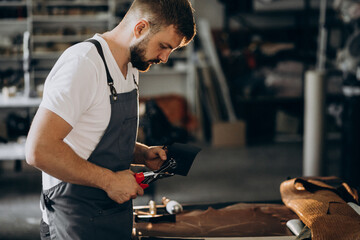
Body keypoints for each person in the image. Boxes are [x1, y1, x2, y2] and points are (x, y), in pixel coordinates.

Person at [25, 0, 196, 239]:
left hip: (114, 212)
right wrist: (109, 181)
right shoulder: (83, 64)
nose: (165, 57)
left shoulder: (132, 66)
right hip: (75, 220)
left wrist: (142, 154)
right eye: (164, 46)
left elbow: (92, 134)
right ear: (140, 28)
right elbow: (39, 150)